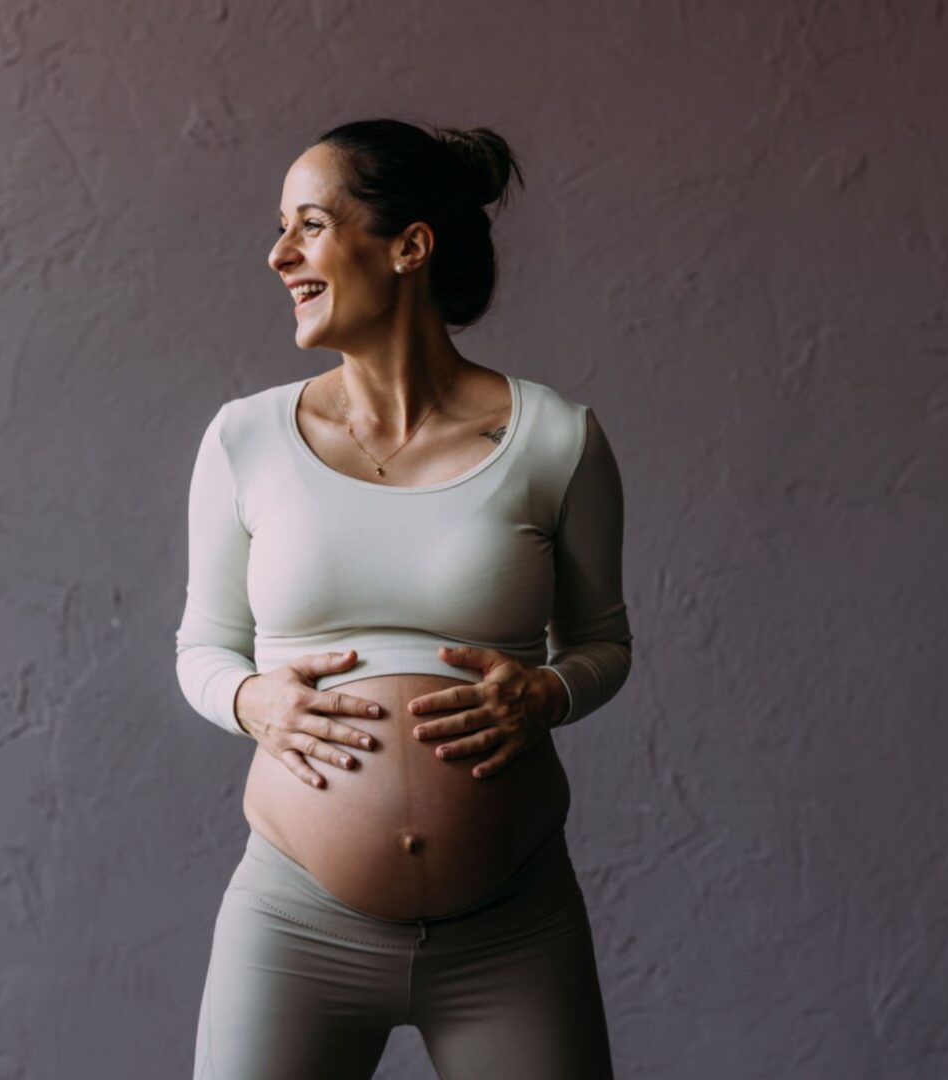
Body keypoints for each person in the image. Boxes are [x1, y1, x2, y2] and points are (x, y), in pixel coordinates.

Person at [174, 117, 633, 1079]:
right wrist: (256, 702)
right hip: (295, 924)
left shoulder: (558, 438)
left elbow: (601, 644)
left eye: (307, 225)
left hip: (513, 927)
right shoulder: (244, 440)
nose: (277, 255)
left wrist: (545, 694)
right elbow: (204, 648)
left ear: (409, 246)